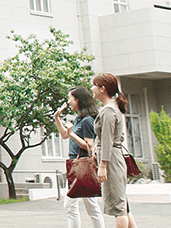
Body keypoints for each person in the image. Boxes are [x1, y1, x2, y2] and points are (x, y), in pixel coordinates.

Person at [92, 73, 138, 228]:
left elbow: (107, 140)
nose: (92, 88)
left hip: (111, 159)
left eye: (94, 85)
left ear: (103, 89)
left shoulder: (108, 110)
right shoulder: (112, 108)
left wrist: (103, 166)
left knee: (119, 208)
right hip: (114, 157)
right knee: (123, 205)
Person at [54, 86, 104, 228]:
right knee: (87, 206)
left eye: (71, 98)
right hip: (76, 165)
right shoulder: (78, 119)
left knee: (75, 206)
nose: (69, 102)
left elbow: (88, 146)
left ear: (78, 100)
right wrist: (57, 118)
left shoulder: (88, 120)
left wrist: (72, 133)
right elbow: (64, 135)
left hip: (83, 165)